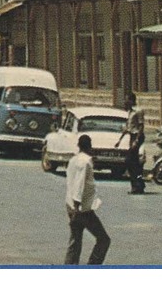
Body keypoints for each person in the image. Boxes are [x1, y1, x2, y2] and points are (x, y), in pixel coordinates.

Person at [64, 134, 110, 265]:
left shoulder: (73, 160)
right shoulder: (85, 162)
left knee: (75, 241)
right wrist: (77, 208)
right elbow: (79, 185)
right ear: (90, 146)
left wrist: (72, 208)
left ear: (79, 146)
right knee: (103, 239)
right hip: (82, 209)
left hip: (71, 206)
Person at [116, 92, 147, 194]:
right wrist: (119, 140)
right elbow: (128, 128)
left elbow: (141, 126)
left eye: (127, 100)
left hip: (137, 137)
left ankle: (138, 184)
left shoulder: (138, 111)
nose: (125, 102)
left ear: (132, 100)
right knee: (133, 163)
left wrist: (136, 141)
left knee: (130, 161)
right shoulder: (130, 112)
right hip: (132, 137)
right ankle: (137, 185)